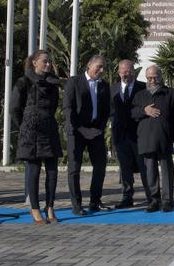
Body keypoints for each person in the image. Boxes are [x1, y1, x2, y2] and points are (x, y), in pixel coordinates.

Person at [10, 50, 62, 224]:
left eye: (49, 62)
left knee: (53, 171)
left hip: (49, 127)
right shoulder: (23, 81)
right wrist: (25, 125)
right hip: (31, 130)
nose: (48, 65)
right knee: (33, 171)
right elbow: (15, 109)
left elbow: (54, 106)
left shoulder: (53, 83)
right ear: (34, 62)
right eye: (44, 62)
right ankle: (35, 208)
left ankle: (50, 207)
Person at [63, 54, 111, 215]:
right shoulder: (74, 82)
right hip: (77, 132)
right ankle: (76, 205)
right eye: (99, 66)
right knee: (74, 168)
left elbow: (106, 111)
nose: (101, 70)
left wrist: (99, 129)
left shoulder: (104, 85)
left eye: (104, 67)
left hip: (95, 131)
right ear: (89, 65)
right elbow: (68, 108)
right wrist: (77, 129)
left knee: (100, 166)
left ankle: (95, 201)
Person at [132, 65, 174, 213]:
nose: (152, 80)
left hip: (164, 138)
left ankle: (167, 201)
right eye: (149, 78)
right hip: (146, 138)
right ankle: (153, 200)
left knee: (167, 172)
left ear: (161, 76)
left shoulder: (171, 93)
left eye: (155, 77)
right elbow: (133, 113)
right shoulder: (140, 95)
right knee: (150, 172)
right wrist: (144, 110)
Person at [110, 59, 150, 209]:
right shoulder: (113, 89)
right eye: (123, 71)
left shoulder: (142, 88)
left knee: (144, 167)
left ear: (134, 71)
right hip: (121, 136)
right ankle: (127, 197)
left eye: (129, 70)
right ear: (119, 72)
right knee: (125, 169)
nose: (126, 74)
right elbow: (111, 111)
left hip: (139, 134)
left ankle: (151, 196)